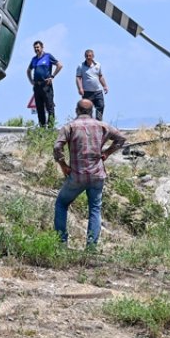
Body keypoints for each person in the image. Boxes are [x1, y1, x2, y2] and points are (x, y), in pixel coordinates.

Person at [52, 99, 126, 250]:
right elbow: (121, 139)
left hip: (77, 175)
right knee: (95, 209)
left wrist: (63, 165)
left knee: (61, 203)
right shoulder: (102, 126)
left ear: (76, 110)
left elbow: (57, 147)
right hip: (97, 174)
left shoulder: (70, 127)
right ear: (92, 111)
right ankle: (91, 248)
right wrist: (107, 153)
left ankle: (61, 243)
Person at [27, 41, 62, 127]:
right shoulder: (34, 59)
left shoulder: (48, 56)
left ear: (42, 47)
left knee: (49, 106)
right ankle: (42, 127)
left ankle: (50, 127)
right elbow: (28, 70)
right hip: (37, 86)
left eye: (38, 47)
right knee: (39, 108)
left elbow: (59, 65)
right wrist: (31, 80)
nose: (36, 49)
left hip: (46, 85)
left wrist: (52, 76)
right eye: (35, 48)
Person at [74, 49, 109, 121]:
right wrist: (80, 88)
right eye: (87, 56)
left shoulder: (98, 65)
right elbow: (78, 78)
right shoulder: (81, 66)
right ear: (85, 56)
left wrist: (105, 86)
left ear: (93, 56)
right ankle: (87, 123)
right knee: (86, 109)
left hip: (98, 91)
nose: (88, 57)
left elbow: (100, 76)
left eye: (90, 56)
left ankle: (98, 122)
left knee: (101, 106)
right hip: (87, 92)